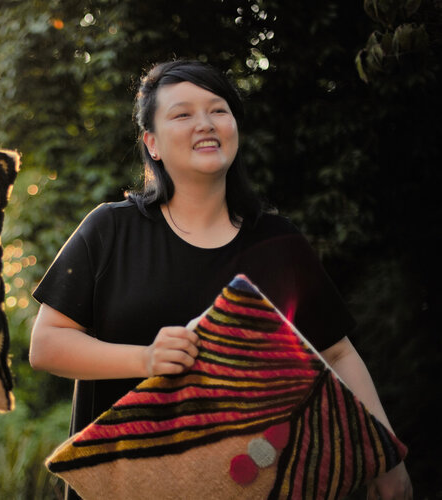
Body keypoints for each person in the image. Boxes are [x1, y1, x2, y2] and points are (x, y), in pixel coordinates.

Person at [29, 60, 412, 499]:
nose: (205, 124)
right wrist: (147, 360)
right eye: (182, 114)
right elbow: (47, 345)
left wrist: (387, 455)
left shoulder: (279, 241)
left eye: (218, 110)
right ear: (152, 143)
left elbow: (338, 354)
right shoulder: (110, 230)